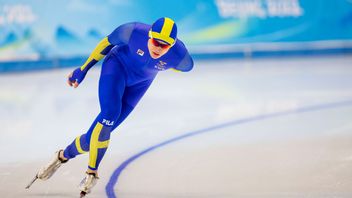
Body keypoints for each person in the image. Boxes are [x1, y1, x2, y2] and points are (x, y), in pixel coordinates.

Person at [29, 17, 194, 196]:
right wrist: (83, 69)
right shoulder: (133, 31)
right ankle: (92, 172)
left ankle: (61, 156)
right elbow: (105, 43)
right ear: (149, 36)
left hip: (140, 85)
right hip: (116, 68)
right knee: (110, 113)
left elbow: (185, 67)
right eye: (155, 42)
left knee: (93, 138)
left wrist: (167, 65)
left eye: (165, 46)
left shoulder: (180, 56)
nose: (158, 48)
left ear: (172, 45)